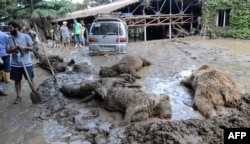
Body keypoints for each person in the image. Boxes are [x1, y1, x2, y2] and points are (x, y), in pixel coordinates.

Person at [6, 21, 35, 104]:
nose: (9, 30)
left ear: (16, 28)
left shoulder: (26, 36)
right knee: (17, 80)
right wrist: (15, 48)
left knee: (30, 79)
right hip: (15, 64)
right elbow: (8, 51)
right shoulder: (9, 38)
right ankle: (19, 96)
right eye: (9, 28)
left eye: (10, 28)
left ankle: (34, 92)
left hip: (27, 63)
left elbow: (32, 48)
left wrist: (24, 47)